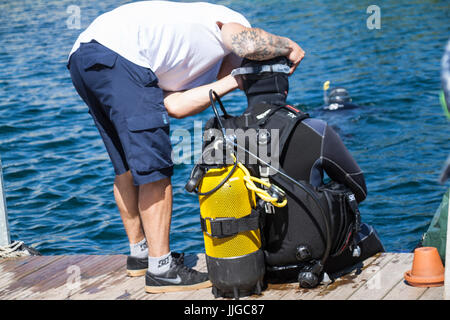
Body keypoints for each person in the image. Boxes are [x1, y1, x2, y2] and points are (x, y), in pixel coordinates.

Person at [67, 1, 305, 293]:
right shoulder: (229, 19)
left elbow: (174, 106)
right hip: (119, 54)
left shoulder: (190, 59)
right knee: (154, 168)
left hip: (86, 57)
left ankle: (141, 254)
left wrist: (233, 81)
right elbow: (247, 43)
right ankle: (162, 270)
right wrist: (287, 45)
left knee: (128, 165)